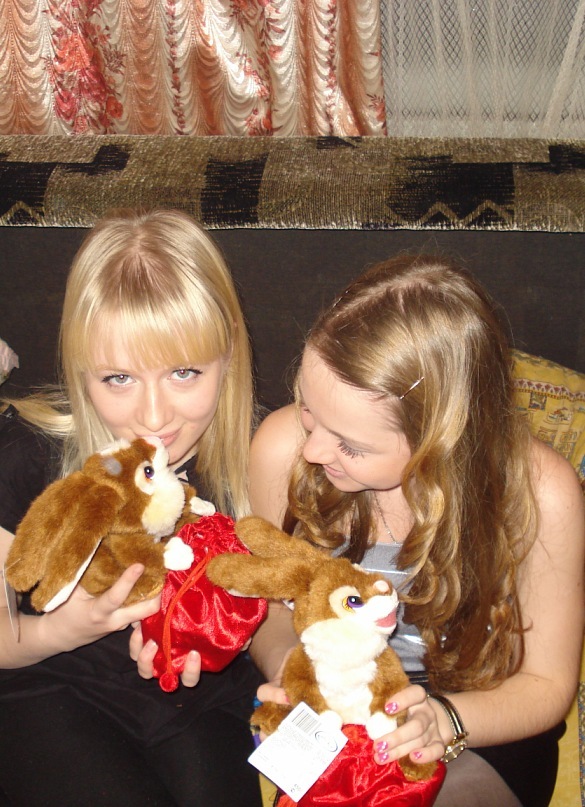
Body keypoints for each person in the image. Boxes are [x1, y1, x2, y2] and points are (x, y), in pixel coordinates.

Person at [247, 254, 585, 807]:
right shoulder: (282, 448)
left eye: (350, 444)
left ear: (440, 439)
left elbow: (547, 686)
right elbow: (271, 609)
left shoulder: (540, 494)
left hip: (475, 715)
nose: (313, 450)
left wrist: (445, 719)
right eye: (309, 409)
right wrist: (289, 664)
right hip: (335, 699)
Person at [0, 208, 264, 806]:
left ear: (230, 353)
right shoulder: (28, 456)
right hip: (51, 685)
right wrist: (60, 630)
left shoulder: (255, 459)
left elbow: (283, 598)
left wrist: (234, 633)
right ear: (81, 370)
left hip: (205, 698)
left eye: (184, 372)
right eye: (118, 378)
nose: (153, 415)